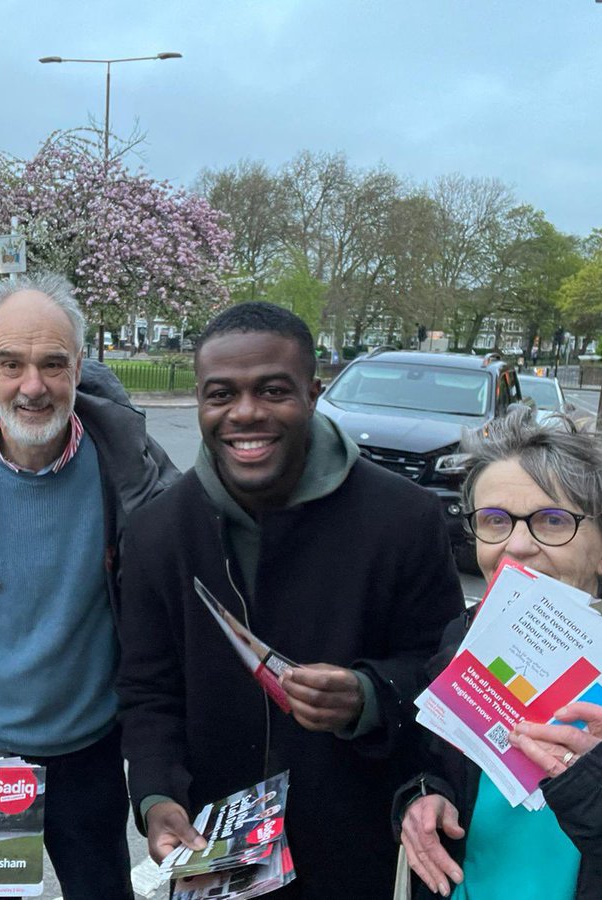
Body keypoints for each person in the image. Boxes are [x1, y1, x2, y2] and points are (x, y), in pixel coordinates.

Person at [117, 302, 465, 898]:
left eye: (272, 390)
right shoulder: (155, 533)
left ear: (313, 393)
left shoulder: (405, 518)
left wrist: (367, 696)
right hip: (214, 852)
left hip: (352, 844)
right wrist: (156, 797)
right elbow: (148, 690)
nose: (245, 413)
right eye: (220, 394)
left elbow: (445, 673)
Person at [397, 405, 602, 899]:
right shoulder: (463, 639)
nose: (515, 546)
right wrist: (426, 797)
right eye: (495, 521)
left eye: (552, 521)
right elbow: (435, 766)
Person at [0, 271, 178, 899]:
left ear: (80, 365)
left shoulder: (133, 472)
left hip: (88, 749)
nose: (32, 386)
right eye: (11, 364)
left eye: (52, 364)